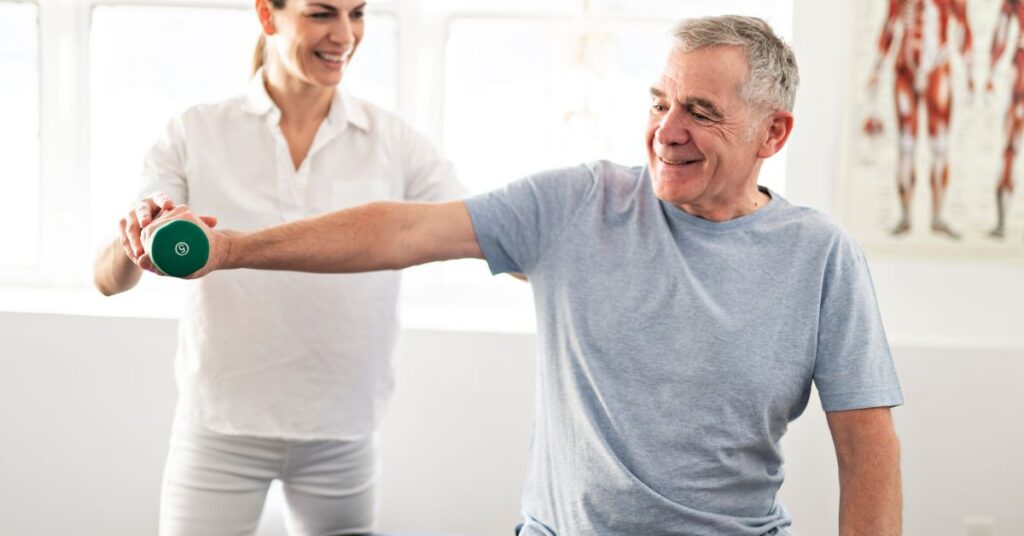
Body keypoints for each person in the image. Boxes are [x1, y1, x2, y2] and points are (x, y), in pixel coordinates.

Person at [135, 15, 904, 536]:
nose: (666, 133)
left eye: (700, 111)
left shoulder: (820, 256)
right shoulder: (578, 205)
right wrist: (230, 249)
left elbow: (866, 443)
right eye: (660, 102)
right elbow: (403, 228)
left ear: (774, 131)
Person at [92, 1, 464, 534]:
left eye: (357, 14)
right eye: (321, 14)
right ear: (268, 15)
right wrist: (134, 238)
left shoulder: (394, 142)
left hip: (341, 430)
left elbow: (479, 228)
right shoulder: (196, 131)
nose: (345, 35)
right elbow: (107, 280)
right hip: (220, 426)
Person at [863, 0, 975, 238]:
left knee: (940, 146)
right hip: (906, 70)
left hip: (938, 71)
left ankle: (937, 217)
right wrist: (876, 69)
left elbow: (963, 27)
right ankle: (905, 216)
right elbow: (890, 26)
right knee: (906, 146)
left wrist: (970, 72)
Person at [986, 0, 1024, 239]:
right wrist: (990, 70)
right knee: (1010, 141)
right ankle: (1002, 221)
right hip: (1020, 69)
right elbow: (1001, 31)